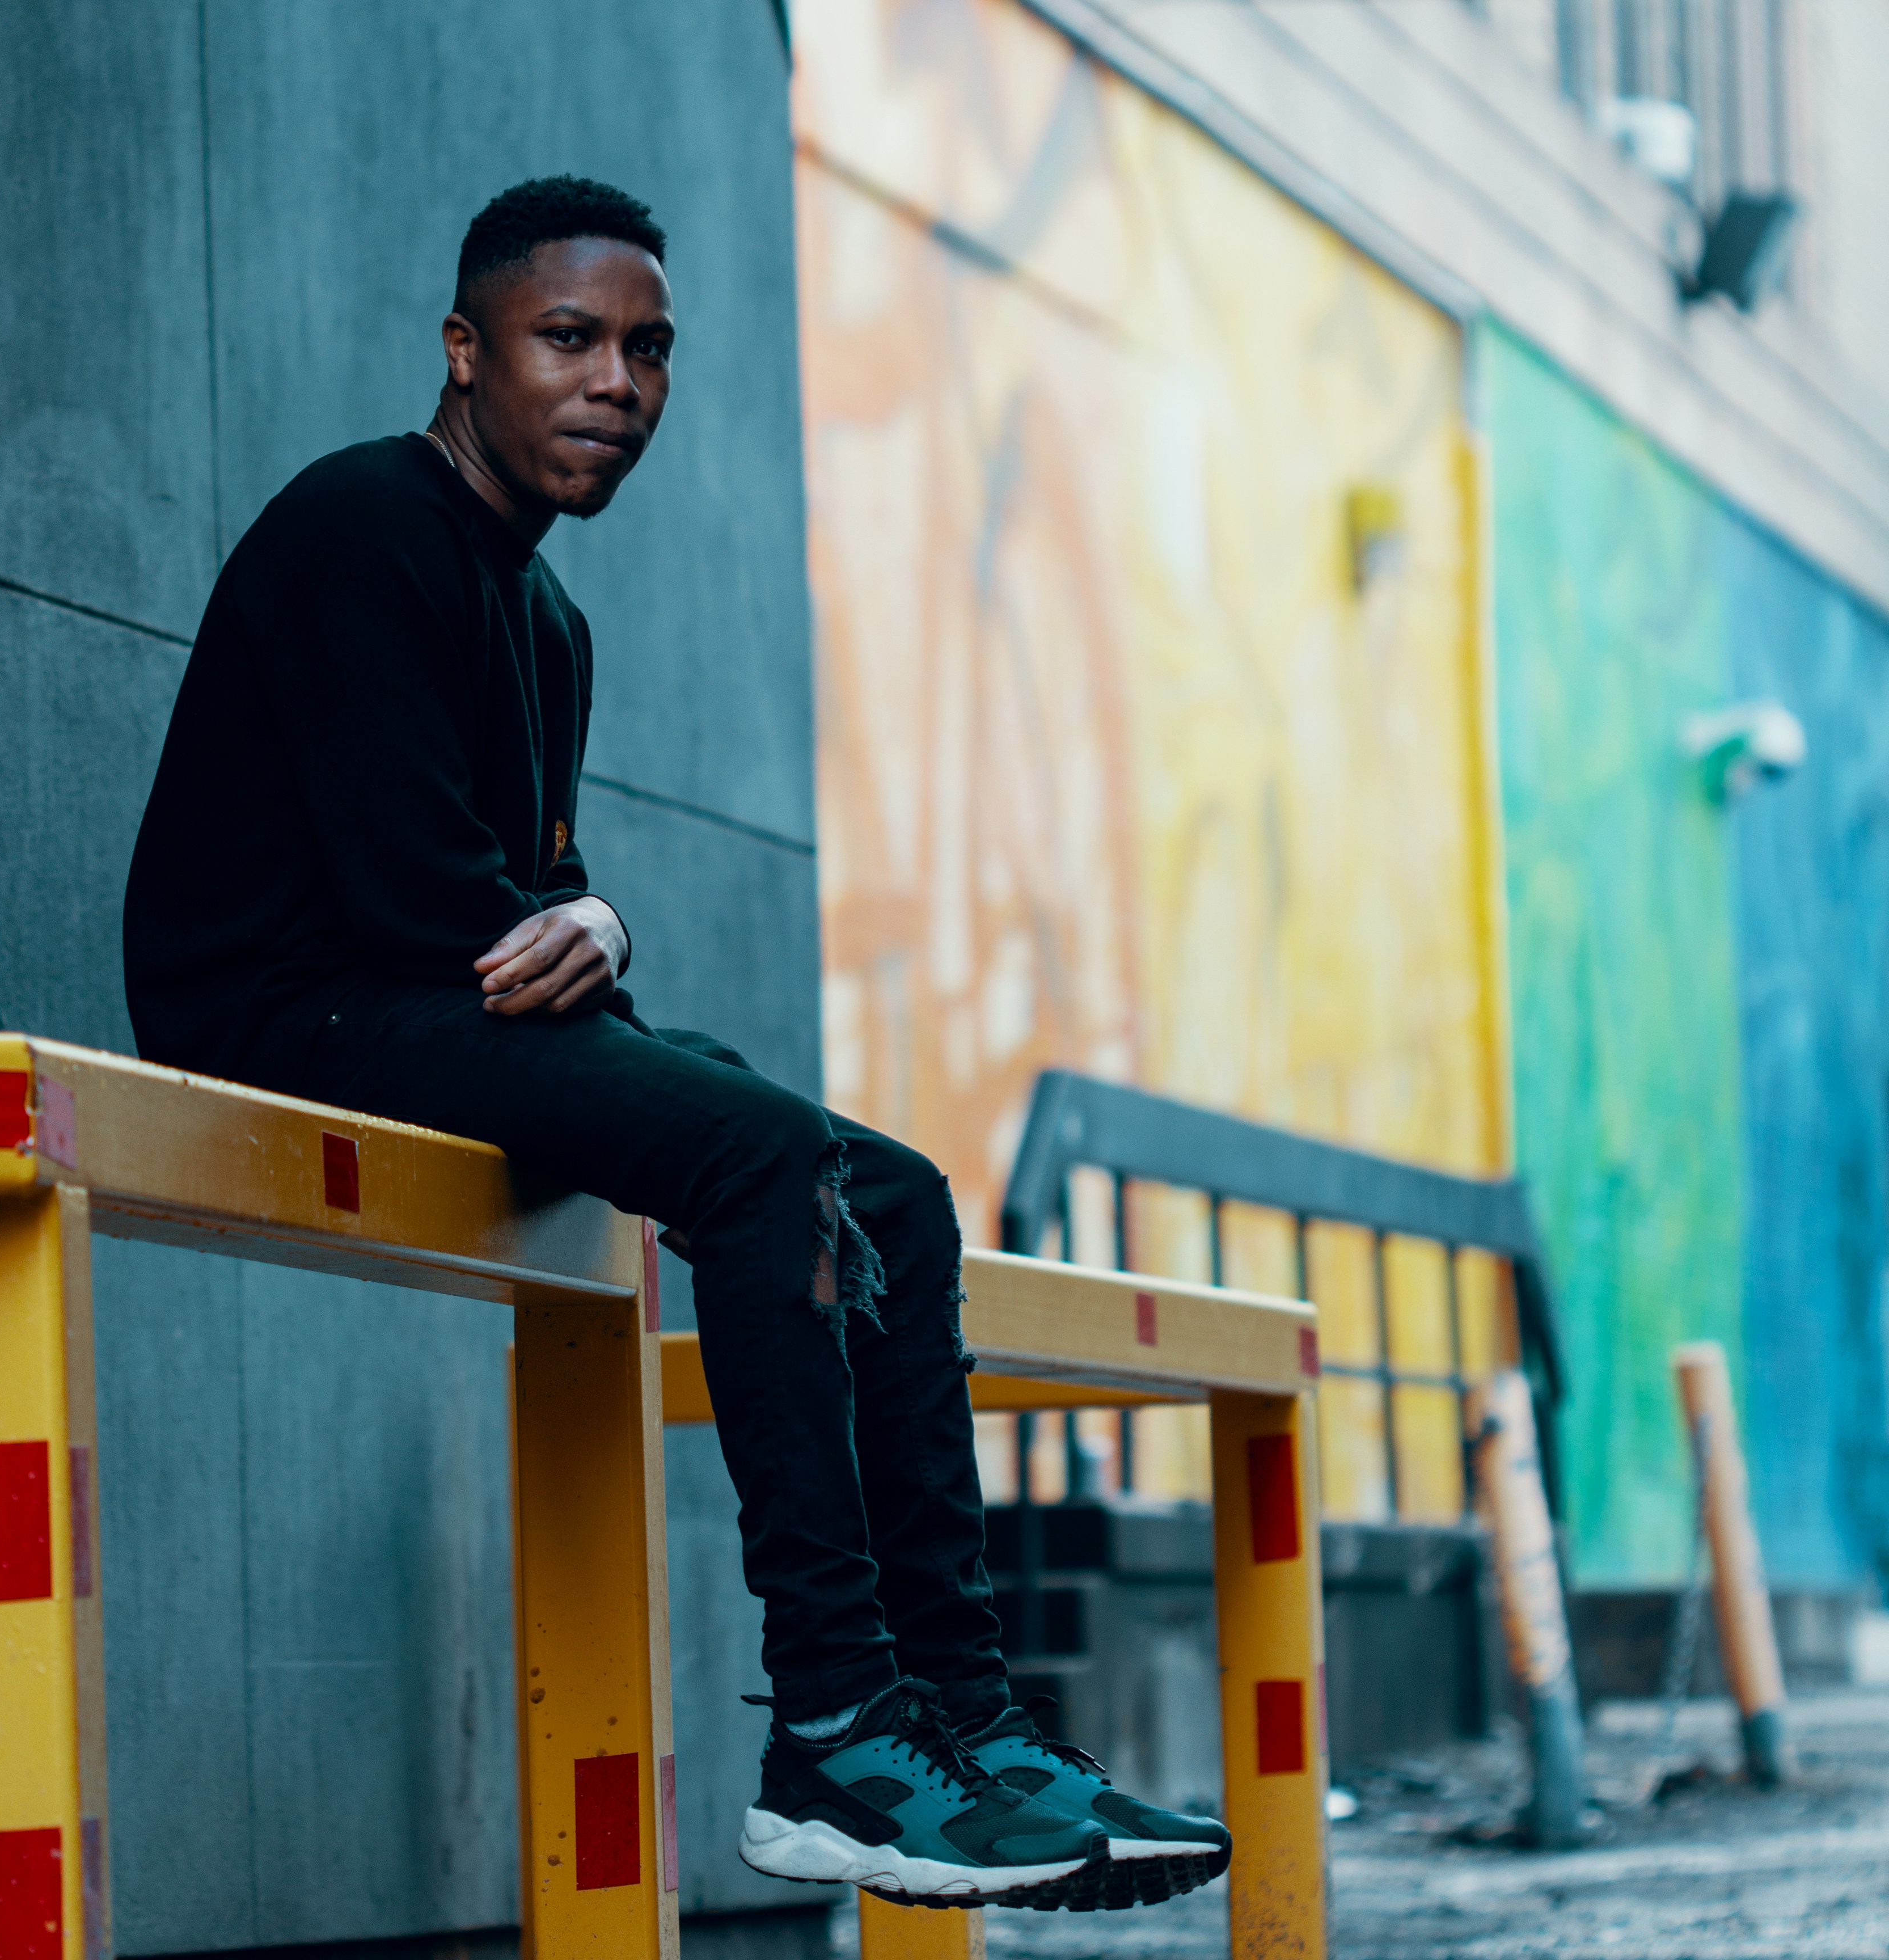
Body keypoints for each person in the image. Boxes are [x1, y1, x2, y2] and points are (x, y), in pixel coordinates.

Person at [122, 175, 1229, 1912]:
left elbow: (545, 927)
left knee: (900, 1192)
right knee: (760, 1154)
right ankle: (838, 1737)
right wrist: (585, 931)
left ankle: (965, 1713)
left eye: (647, 349)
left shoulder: (547, 623)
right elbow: (445, 911)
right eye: (569, 339)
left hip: (416, 998)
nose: (615, 381)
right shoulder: (362, 529)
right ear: (464, 350)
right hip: (279, 1006)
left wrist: (605, 928)